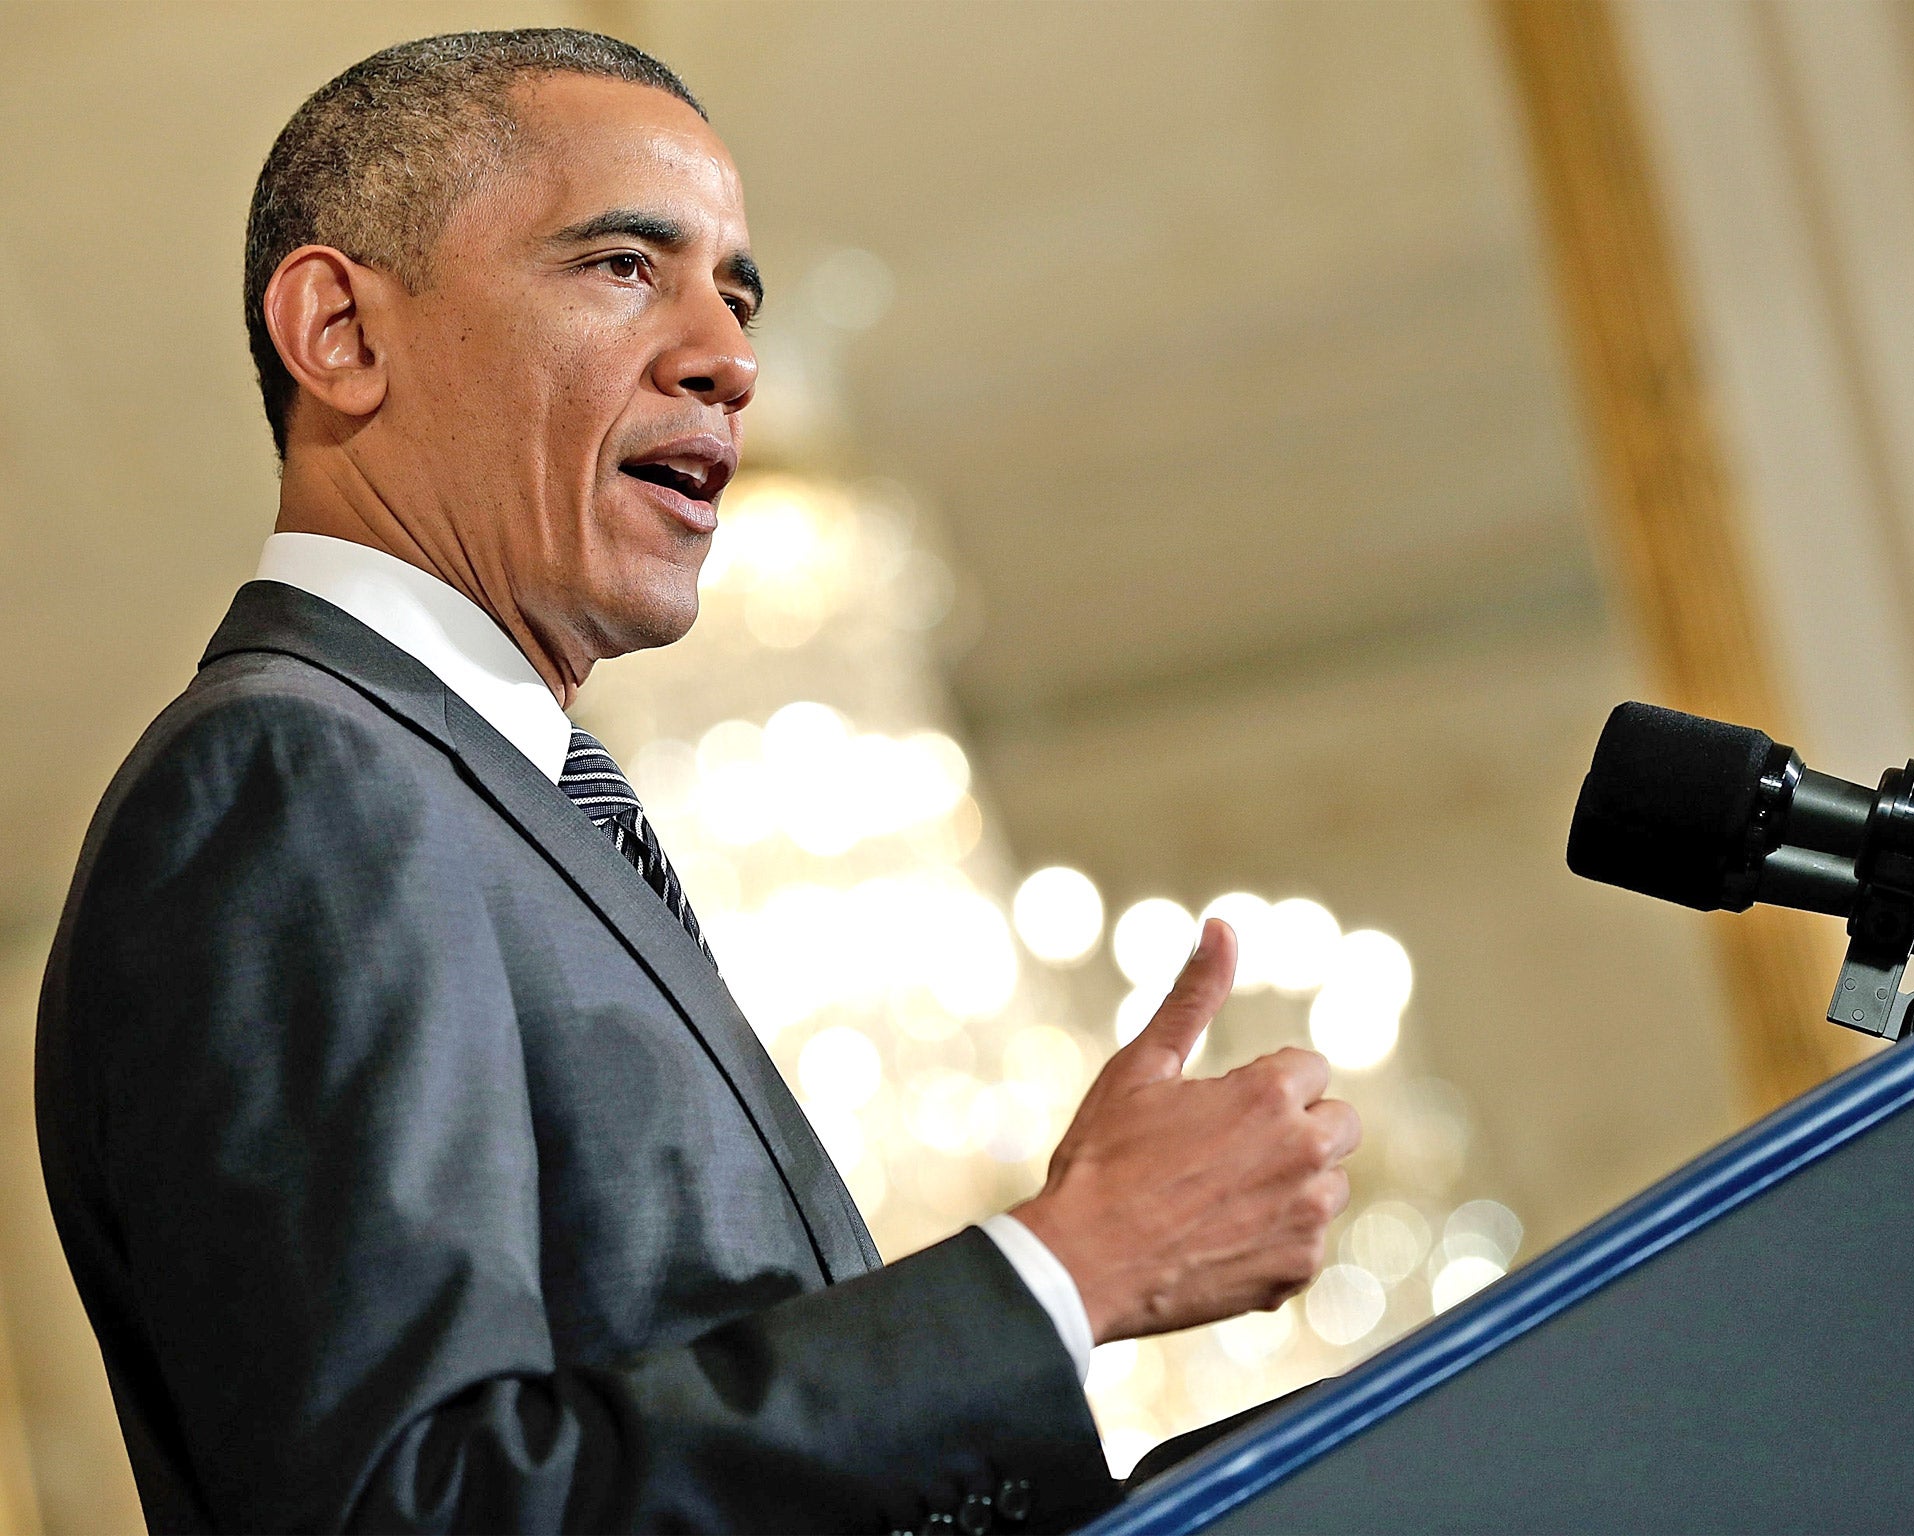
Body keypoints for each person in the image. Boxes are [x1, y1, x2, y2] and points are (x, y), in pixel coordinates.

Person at [36, 29, 1361, 1535]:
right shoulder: (292, 777)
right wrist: (1070, 1269)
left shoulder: (504, 805)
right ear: (339, 330)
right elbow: (422, 1508)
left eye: (735, 293)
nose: (731, 359)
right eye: (620, 266)